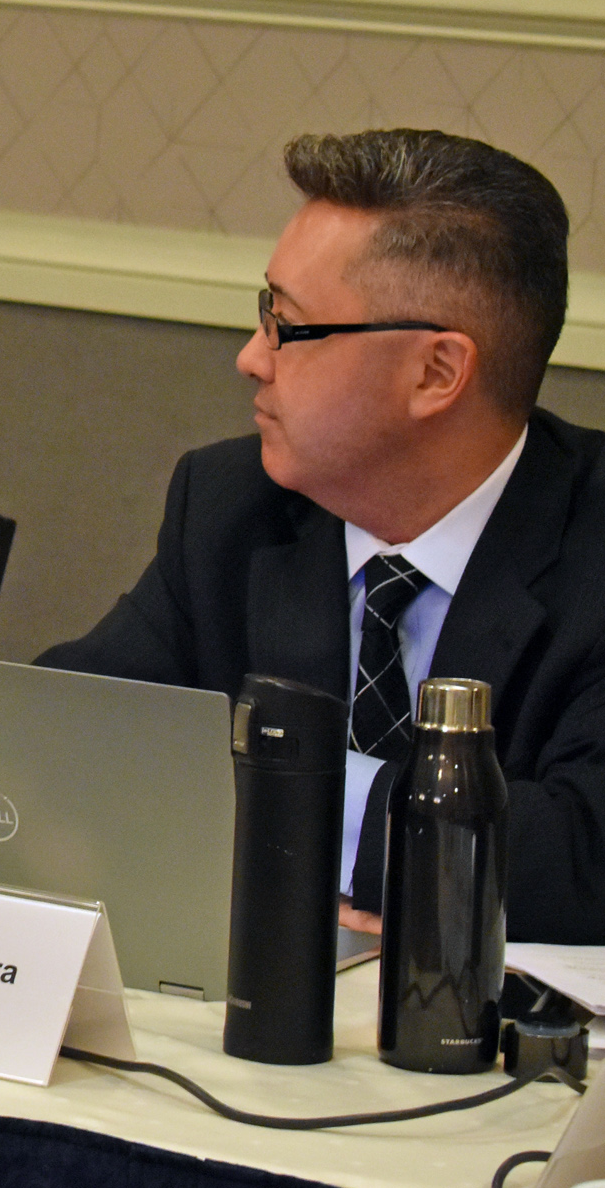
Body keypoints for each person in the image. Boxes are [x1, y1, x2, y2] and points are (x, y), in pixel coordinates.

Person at [40, 129, 605, 943]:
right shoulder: (232, 507)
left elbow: (577, 856)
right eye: (261, 312)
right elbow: (70, 733)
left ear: (437, 373)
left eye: (288, 328)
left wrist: (280, 799)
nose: (249, 358)